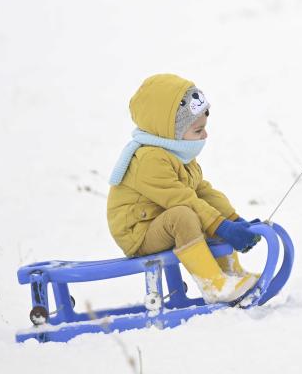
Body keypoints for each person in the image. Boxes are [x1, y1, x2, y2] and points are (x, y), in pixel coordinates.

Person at [106, 73, 263, 303]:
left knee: (206, 210)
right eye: (198, 131)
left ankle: (231, 273)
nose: (205, 135)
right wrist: (221, 226)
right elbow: (181, 199)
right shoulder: (149, 160)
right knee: (186, 215)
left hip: (163, 219)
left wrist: (233, 219)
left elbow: (202, 191)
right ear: (171, 132)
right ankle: (213, 284)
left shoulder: (179, 154)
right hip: (139, 232)